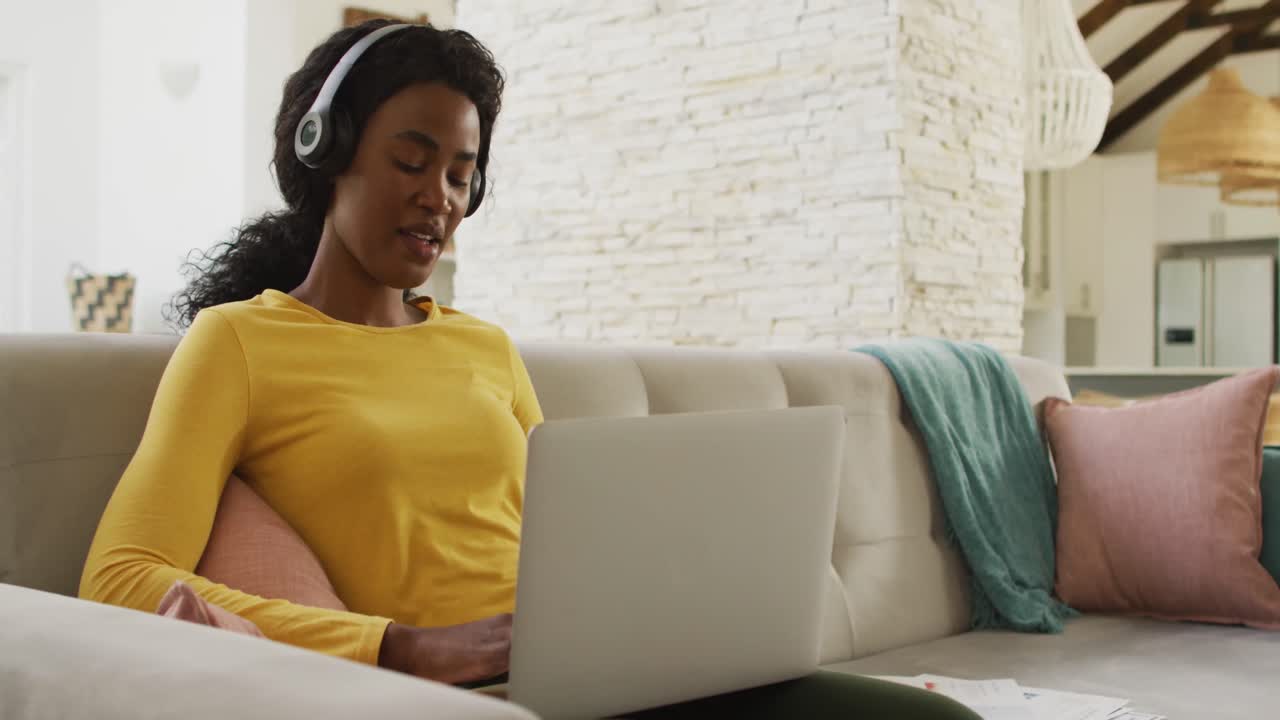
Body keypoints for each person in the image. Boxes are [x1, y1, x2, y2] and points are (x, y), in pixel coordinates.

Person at [79, 20, 978, 720]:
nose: (441, 197)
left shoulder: (485, 346)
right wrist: (399, 648)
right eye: (411, 160)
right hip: (464, 698)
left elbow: (570, 548)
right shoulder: (238, 343)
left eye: (464, 175)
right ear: (328, 151)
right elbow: (119, 577)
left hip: (611, 675)